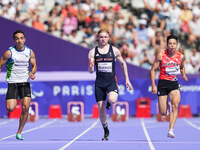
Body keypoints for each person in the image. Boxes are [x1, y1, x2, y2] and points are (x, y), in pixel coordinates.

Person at [88, 29, 133, 141]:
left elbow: (123, 64)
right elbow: (90, 71)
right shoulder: (93, 52)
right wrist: (91, 66)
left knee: (112, 100)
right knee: (101, 110)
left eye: (105, 37)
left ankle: (109, 102)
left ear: (109, 38)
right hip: (99, 83)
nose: (103, 39)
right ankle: (106, 130)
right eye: (101, 37)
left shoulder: (115, 51)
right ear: (98, 38)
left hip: (111, 81)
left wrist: (127, 79)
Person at [0, 30, 37, 140]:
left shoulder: (29, 52)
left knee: (25, 108)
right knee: (10, 108)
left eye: (21, 38)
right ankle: (13, 100)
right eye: (17, 38)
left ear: (24, 39)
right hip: (13, 83)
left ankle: (19, 132)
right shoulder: (9, 52)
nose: (19, 40)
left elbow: (34, 65)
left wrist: (32, 73)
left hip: (25, 82)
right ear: (14, 40)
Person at [150, 35, 188, 138]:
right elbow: (153, 70)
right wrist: (153, 85)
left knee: (175, 105)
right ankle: (164, 108)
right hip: (162, 83)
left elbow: (182, 67)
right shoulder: (161, 55)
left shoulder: (181, 56)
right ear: (167, 45)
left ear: (176, 45)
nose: (172, 45)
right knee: (163, 112)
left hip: (174, 83)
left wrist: (183, 74)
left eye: (174, 44)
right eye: (170, 43)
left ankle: (170, 130)